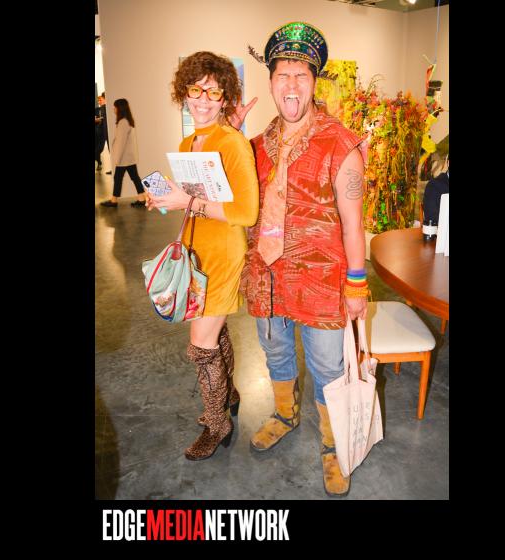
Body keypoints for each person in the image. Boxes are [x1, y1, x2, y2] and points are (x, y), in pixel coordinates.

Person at [230, 22, 368, 497]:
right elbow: (228, 196)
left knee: (328, 366)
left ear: (314, 82)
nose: (291, 85)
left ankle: (333, 444)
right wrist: (227, 137)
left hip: (322, 282)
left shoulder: (341, 144)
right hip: (267, 277)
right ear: (270, 82)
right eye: (282, 75)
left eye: (301, 76)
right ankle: (285, 414)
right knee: (276, 352)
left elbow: (354, 225)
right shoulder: (253, 147)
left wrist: (356, 284)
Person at [146, 51, 259, 460]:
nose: (203, 100)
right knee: (214, 332)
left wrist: (188, 202)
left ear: (225, 96)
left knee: (201, 344)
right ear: (184, 93)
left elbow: (246, 213)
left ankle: (217, 424)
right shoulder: (189, 142)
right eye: (196, 90)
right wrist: (165, 199)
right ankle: (227, 394)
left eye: (214, 92)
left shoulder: (233, 143)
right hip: (196, 250)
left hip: (224, 254)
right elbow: (195, 198)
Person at [100, 98, 147, 208]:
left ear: (120, 108)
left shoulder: (123, 122)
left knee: (118, 178)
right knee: (134, 177)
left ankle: (114, 201)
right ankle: (141, 198)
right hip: (128, 157)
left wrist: (117, 159)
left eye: (115, 107)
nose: (114, 109)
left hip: (124, 158)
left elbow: (121, 142)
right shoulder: (127, 121)